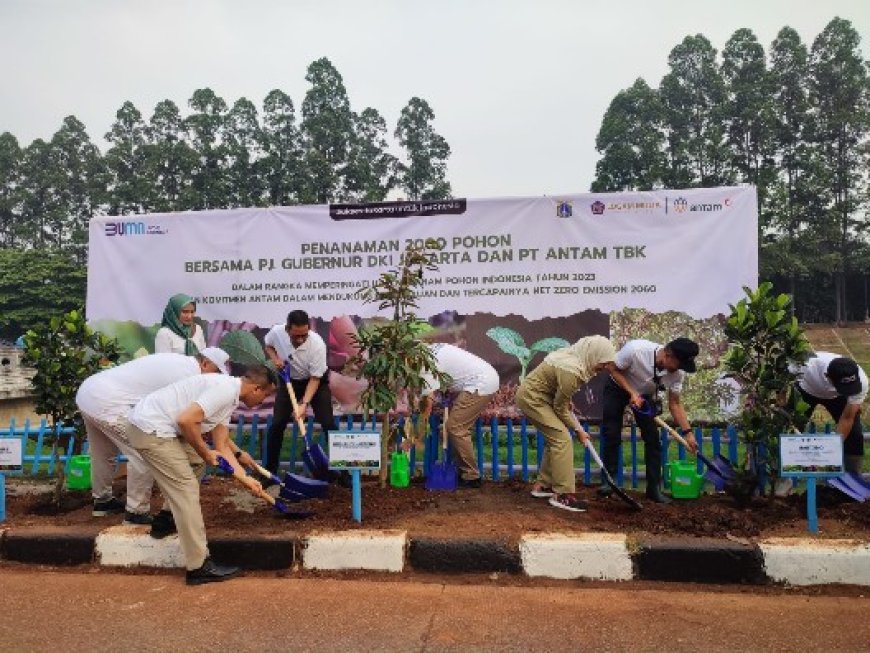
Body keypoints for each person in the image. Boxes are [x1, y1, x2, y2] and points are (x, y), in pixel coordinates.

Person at [126, 364, 276, 585]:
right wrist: (205, 452)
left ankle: (167, 520)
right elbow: (186, 420)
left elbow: (222, 446)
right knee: (185, 489)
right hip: (151, 429)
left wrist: (245, 478)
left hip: (159, 427)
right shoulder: (224, 390)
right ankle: (199, 566)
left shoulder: (230, 397)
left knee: (196, 462)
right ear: (255, 389)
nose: (264, 401)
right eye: (266, 394)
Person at [75, 348, 232, 524]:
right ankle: (136, 512)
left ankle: (103, 501)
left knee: (103, 453)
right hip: (109, 403)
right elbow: (180, 419)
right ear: (205, 363)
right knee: (145, 451)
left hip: (89, 393)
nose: (216, 378)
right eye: (216, 372)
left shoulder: (178, 362)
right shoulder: (189, 375)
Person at [516, 335, 631, 512]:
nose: (605, 368)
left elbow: (557, 392)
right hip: (533, 400)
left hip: (541, 397)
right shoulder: (572, 370)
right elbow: (560, 408)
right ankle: (562, 495)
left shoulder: (574, 359)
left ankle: (543, 486)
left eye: (608, 363)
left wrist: (565, 399)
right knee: (562, 439)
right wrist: (578, 430)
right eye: (603, 362)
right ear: (592, 355)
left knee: (555, 438)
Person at [599, 337, 699, 504]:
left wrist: (688, 433)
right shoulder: (635, 350)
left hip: (645, 396)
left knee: (653, 439)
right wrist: (631, 392)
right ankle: (608, 482)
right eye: (679, 364)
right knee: (612, 433)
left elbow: (675, 404)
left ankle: (654, 488)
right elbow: (613, 369)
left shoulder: (677, 374)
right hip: (617, 387)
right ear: (668, 354)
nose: (679, 370)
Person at [413, 343, 500, 488]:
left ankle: (471, 476)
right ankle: (460, 470)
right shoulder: (431, 349)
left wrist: (417, 435)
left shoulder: (425, 365)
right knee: (456, 427)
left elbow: (426, 404)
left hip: (480, 383)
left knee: (456, 427)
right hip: (482, 377)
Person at [263, 310, 334, 476]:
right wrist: (275, 359)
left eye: (304, 335)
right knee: (277, 424)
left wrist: (304, 404)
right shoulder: (276, 332)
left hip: (315, 382)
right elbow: (268, 346)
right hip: (290, 381)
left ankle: (343, 472)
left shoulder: (317, 345)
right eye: (296, 336)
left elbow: (315, 379)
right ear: (288, 329)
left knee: (328, 423)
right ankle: (269, 471)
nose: (301, 340)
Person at [790, 352, 867, 474]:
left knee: (854, 433)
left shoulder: (861, 381)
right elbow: (781, 384)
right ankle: (785, 474)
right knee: (788, 431)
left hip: (838, 397)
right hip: (806, 390)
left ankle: (852, 476)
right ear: (827, 376)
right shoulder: (805, 365)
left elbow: (847, 418)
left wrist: (831, 450)